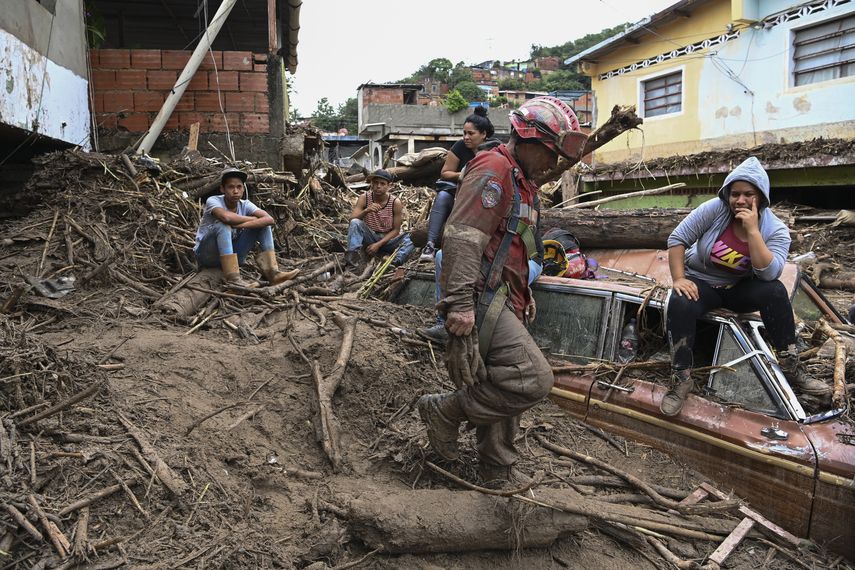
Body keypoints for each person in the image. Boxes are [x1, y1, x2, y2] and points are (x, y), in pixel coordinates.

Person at [416, 96, 586, 486]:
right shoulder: (494, 169)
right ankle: (445, 411)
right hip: (482, 297)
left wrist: (525, 296)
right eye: (550, 153)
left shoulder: (521, 181)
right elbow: (461, 238)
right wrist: (459, 306)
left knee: (498, 379)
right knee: (532, 378)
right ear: (529, 140)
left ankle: (497, 470)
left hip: (505, 299)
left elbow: (514, 247)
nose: (552, 164)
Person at [661, 156, 831, 417]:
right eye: (735, 194)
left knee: (774, 290)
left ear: (761, 196)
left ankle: (791, 366)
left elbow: (769, 274)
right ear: (727, 195)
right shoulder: (714, 210)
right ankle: (681, 377)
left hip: (737, 289)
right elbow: (677, 238)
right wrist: (680, 279)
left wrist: (752, 231)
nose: (740, 200)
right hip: (702, 284)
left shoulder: (775, 230)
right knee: (680, 300)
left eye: (748, 194)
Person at [194, 167, 299, 287]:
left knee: (264, 226)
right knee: (223, 225)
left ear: (243, 189)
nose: (235, 191)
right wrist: (252, 220)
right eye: (231, 187)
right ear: (222, 189)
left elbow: (269, 220)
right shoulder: (213, 200)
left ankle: (273, 274)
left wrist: (239, 224)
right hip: (207, 256)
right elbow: (226, 218)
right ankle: (234, 281)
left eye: (239, 187)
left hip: (233, 256)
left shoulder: (246, 204)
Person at [419, 107, 497, 262]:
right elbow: (445, 172)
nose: (466, 137)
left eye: (471, 133)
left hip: (484, 196)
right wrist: (463, 175)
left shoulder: (494, 149)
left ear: (483, 134)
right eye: (464, 133)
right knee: (442, 197)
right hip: (458, 193)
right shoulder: (460, 146)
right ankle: (430, 244)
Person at [345, 169, 414, 268]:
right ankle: (353, 258)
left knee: (411, 236)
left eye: (382, 184)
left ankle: (396, 261)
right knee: (355, 222)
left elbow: (396, 230)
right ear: (371, 184)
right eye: (376, 183)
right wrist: (366, 211)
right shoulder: (364, 198)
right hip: (370, 237)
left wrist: (378, 244)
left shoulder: (395, 202)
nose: (378, 186)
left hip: (388, 240)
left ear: (389, 186)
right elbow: (352, 219)